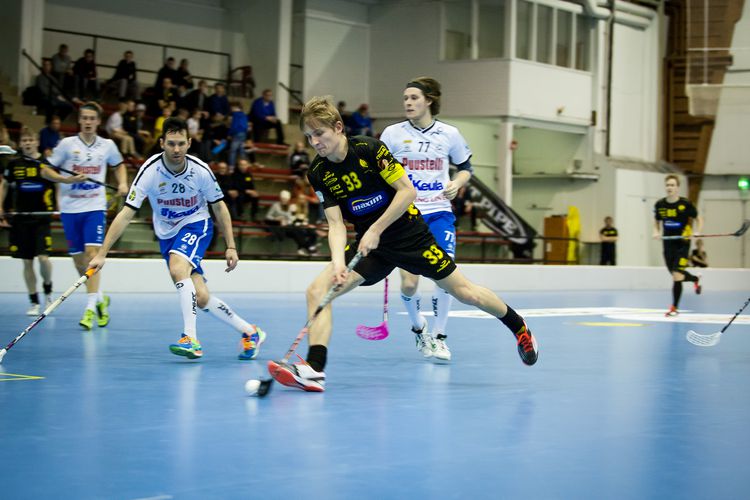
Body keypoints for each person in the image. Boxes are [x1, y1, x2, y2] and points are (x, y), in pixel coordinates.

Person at [267, 96, 538, 392]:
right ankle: (314, 370)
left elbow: (407, 192)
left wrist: (376, 229)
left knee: (465, 293)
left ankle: (519, 326)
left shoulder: (370, 149)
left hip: (410, 237)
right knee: (318, 291)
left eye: (319, 133)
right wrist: (338, 263)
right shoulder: (318, 172)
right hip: (372, 248)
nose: (315, 142)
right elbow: (335, 224)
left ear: (338, 127)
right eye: (309, 136)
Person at [87, 117, 267, 361]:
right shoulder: (150, 171)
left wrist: (231, 246)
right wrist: (102, 253)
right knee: (200, 296)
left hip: (196, 224)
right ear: (162, 143)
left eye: (181, 143)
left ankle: (190, 338)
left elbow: (219, 207)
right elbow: (126, 213)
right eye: (171, 143)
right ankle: (250, 332)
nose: (176, 149)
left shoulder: (200, 170)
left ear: (189, 143)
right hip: (167, 234)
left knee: (177, 266)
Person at [379, 77, 473, 363]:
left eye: (414, 98)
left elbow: (466, 167)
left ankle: (440, 336)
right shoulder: (392, 134)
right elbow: (377, 171)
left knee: (445, 277)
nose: (408, 102)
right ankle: (419, 328)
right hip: (406, 215)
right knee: (409, 284)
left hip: (439, 213)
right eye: (405, 98)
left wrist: (457, 183)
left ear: (429, 100)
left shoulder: (449, 134)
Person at [46, 102, 129, 330]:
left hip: (94, 207)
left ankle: (90, 309)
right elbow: (46, 170)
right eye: (84, 118)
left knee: (92, 256)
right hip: (70, 210)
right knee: (79, 263)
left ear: (98, 121)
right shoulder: (66, 145)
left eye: (92, 118)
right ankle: (100, 298)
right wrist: (66, 179)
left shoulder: (107, 145)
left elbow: (119, 165)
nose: (88, 122)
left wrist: (123, 183)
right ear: (79, 120)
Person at [0, 128, 86, 315]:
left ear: (36, 142)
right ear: (20, 143)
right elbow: (4, 185)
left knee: (43, 258)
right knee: (27, 262)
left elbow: (55, 181)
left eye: (30, 139)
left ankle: (48, 292)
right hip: (21, 218)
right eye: (24, 140)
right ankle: (33, 301)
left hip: (42, 218)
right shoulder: (14, 164)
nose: (27, 143)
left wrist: (63, 197)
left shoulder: (46, 163)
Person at [653, 174, 703, 317]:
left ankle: (674, 308)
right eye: (667, 185)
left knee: (676, 275)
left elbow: (698, 219)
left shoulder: (685, 204)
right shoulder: (660, 204)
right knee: (677, 274)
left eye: (672, 185)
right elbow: (656, 222)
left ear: (677, 187)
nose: (669, 187)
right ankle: (695, 279)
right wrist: (655, 232)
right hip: (668, 243)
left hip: (683, 243)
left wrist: (697, 232)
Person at [264, 189, 318, 255]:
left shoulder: (290, 207)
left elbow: (291, 218)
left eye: (286, 199)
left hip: (288, 226)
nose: (284, 200)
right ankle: (308, 247)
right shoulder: (275, 206)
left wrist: (288, 221)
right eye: (283, 198)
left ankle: (303, 248)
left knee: (298, 230)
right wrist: (276, 219)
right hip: (277, 226)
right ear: (280, 198)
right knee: (296, 230)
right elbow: (268, 216)